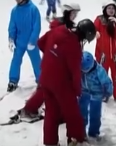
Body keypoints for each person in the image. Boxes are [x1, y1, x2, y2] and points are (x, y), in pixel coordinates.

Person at [37, 18, 97, 146]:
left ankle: (50, 142)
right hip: (61, 83)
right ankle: (75, 139)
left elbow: (41, 42)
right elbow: (75, 72)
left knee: (51, 112)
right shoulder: (74, 46)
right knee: (72, 112)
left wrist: (51, 56)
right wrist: (77, 91)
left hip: (45, 78)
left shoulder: (59, 29)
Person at [7, 0, 42, 92]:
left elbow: (36, 27)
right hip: (19, 42)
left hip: (31, 42)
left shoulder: (33, 9)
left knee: (36, 61)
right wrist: (11, 39)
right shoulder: (14, 11)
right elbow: (12, 26)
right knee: (16, 61)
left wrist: (32, 41)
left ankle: (41, 80)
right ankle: (13, 81)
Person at [93, 2, 116, 103]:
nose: (111, 10)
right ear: (105, 10)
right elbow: (93, 30)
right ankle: (103, 94)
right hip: (102, 54)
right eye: (109, 8)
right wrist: (95, 33)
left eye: (113, 8)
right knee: (102, 75)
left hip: (115, 54)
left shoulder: (115, 20)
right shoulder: (99, 19)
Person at [79, 51, 113, 141]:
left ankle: (94, 132)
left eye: (86, 70)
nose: (84, 73)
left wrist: (108, 92)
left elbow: (107, 82)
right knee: (82, 112)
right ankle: (81, 131)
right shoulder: (80, 69)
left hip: (96, 94)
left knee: (95, 114)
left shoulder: (99, 70)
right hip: (84, 92)